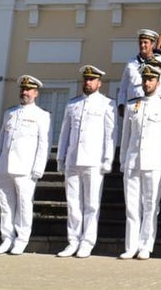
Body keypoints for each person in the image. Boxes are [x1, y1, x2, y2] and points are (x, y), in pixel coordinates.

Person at [55, 65, 115, 259]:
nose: (88, 82)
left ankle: (87, 242)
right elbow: (65, 133)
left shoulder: (107, 104)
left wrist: (108, 159)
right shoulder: (73, 104)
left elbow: (110, 135)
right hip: (73, 158)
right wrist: (61, 157)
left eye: (92, 79)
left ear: (99, 83)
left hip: (93, 159)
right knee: (73, 203)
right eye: (86, 79)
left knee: (91, 204)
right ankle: (73, 240)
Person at [0, 75, 50, 256]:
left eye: (29, 90)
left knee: (24, 205)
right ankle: (6, 238)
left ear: (36, 93)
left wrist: (39, 167)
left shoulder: (41, 115)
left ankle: (22, 239)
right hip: (5, 166)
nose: (25, 92)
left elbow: (43, 144)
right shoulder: (10, 113)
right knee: (6, 205)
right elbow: (1, 140)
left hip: (26, 167)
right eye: (23, 89)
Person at [119, 62, 161, 259]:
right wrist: (123, 159)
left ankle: (145, 244)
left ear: (158, 82)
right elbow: (125, 136)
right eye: (144, 79)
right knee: (132, 205)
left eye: (150, 79)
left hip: (154, 160)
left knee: (150, 205)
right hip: (133, 160)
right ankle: (130, 245)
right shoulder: (133, 105)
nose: (147, 82)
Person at [117, 29, 161, 109]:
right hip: (133, 105)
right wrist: (121, 104)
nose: (142, 45)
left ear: (152, 44)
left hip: (153, 105)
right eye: (140, 42)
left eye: (145, 42)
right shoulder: (131, 63)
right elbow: (123, 86)